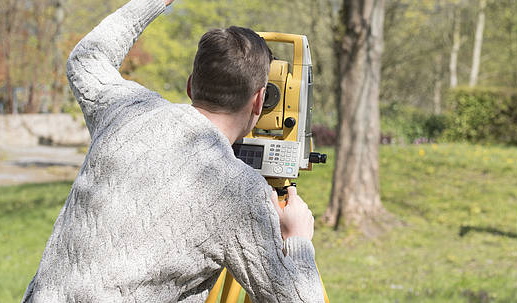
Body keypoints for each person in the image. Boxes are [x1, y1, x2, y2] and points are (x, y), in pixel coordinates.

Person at [21, 0, 324, 302]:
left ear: (191, 86)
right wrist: (297, 238)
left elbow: (87, 59)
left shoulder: (126, 111)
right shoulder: (237, 191)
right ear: (259, 101)